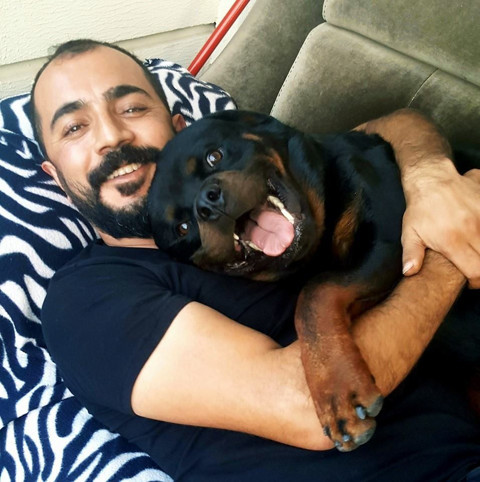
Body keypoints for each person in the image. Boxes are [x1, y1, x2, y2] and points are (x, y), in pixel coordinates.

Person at [33, 39, 480, 481]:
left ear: (180, 126)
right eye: (74, 128)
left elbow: (385, 131)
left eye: (132, 108)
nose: (112, 136)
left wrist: (431, 180)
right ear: (55, 177)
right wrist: (449, 250)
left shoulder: (253, 185)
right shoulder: (86, 297)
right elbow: (312, 408)